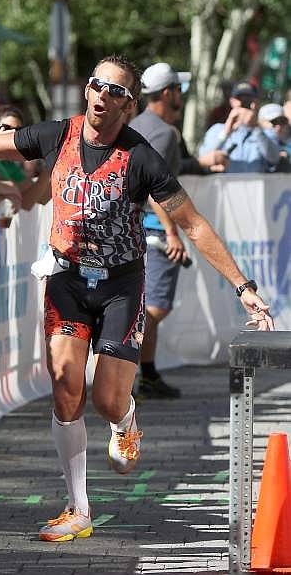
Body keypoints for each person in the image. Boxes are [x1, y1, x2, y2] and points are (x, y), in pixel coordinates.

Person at [0, 54, 275, 541]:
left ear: (128, 105)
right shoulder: (57, 135)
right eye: (97, 85)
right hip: (66, 280)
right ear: (88, 91)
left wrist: (243, 288)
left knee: (107, 399)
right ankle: (78, 508)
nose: (102, 95)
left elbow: (193, 223)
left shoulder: (141, 157)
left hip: (119, 286)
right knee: (66, 383)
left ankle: (126, 419)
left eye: (115, 91)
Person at [129, 62, 188, 399]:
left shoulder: (136, 125)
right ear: (168, 93)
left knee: (148, 304)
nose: (181, 98)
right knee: (155, 306)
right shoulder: (164, 133)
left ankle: (146, 375)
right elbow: (157, 189)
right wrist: (172, 233)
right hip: (154, 230)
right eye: (179, 91)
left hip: (133, 229)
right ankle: (129, 373)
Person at [199, 81, 280, 173]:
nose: (244, 102)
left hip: (254, 186)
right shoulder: (216, 130)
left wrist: (256, 128)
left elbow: (274, 158)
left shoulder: (267, 132)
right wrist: (225, 133)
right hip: (225, 186)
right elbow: (202, 160)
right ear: (232, 102)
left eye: (249, 99)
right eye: (240, 99)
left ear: (256, 102)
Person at [257, 103, 291, 172]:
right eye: (273, 122)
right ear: (260, 123)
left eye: (282, 121)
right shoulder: (252, 144)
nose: (278, 127)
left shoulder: (288, 144)